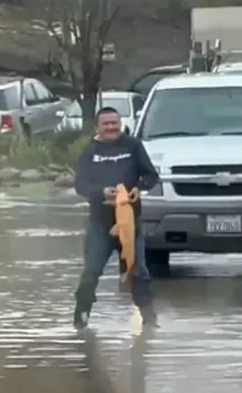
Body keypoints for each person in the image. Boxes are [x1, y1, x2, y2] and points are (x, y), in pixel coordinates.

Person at [73, 106, 160, 329]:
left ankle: (150, 323)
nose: (111, 127)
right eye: (106, 124)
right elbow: (80, 186)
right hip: (100, 225)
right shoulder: (89, 152)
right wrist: (101, 192)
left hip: (131, 224)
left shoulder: (133, 146)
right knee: (91, 271)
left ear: (120, 124)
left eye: (115, 123)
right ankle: (80, 320)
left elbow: (151, 175)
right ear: (97, 127)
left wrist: (139, 188)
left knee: (139, 272)